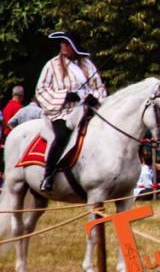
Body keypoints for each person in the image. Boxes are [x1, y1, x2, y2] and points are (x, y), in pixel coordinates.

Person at [36, 31, 107, 192]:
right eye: (62, 43)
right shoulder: (52, 65)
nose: (63, 46)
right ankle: (48, 176)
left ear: (74, 46)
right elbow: (41, 90)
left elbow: (99, 87)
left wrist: (94, 98)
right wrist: (65, 96)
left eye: (67, 43)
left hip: (86, 110)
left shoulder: (88, 65)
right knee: (61, 137)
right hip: (62, 112)